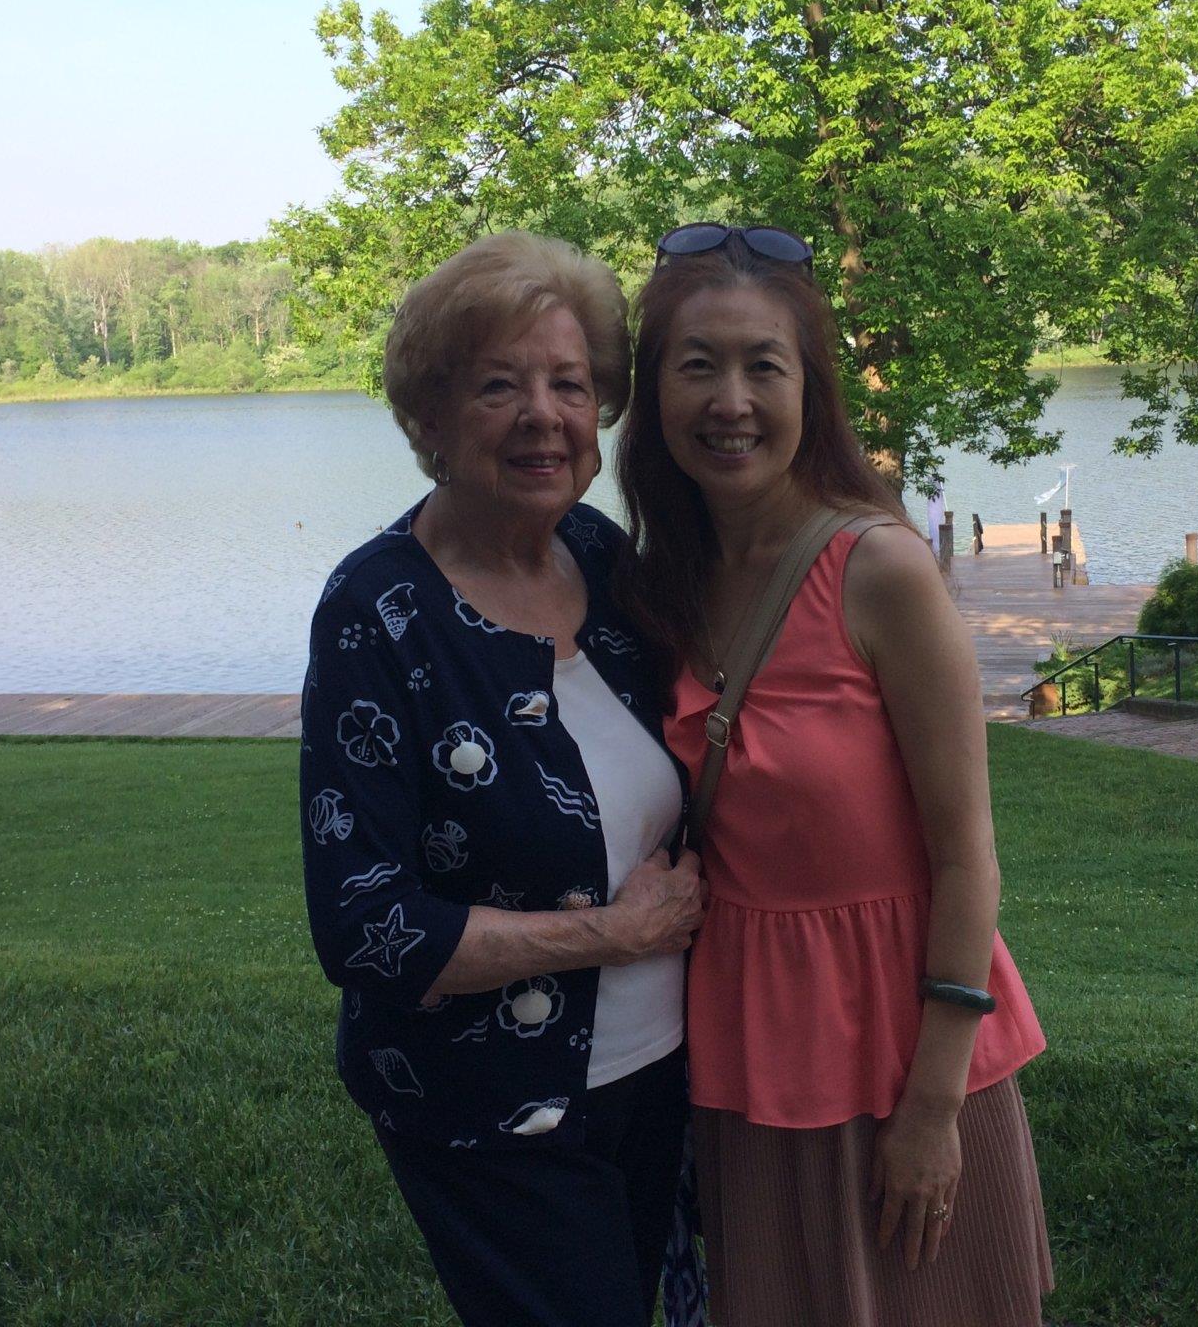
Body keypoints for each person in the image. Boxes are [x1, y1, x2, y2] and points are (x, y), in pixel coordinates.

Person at [616, 223, 1052, 1324]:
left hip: (904, 1048)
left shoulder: (879, 570)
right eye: (695, 365)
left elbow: (966, 856)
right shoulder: (661, 583)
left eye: (762, 366)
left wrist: (933, 1108)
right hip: (748, 1052)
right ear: (652, 391)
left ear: (809, 390)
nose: (729, 401)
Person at [300, 231, 706, 1327]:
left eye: (568, 384)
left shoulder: (600, 558)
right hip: (488, 1108)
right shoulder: (378, 612)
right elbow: (364, 928)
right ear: (428, 422)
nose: (543, 415)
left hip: (659, 1074)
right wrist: (610, 935)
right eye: (497, 386)